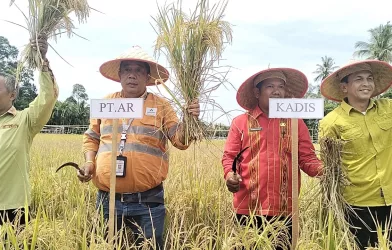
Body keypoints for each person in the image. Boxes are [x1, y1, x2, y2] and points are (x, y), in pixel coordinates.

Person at [78, 45, 200, 249]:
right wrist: (89, 162)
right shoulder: (106, 103)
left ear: (147, 77)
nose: (132, 75)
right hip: (108, 199)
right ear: (119, 75)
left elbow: (180, 141)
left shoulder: (161, 106)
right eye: (127, 70)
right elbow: (92, 137)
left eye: (138, 71)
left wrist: (189, 120)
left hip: (148, 201)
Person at [222, 68, 322, 249]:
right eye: (270, 86)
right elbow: (230, 158)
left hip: (285, 209)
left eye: (281, 86)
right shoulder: (241, 122)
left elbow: (307, 158)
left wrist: (325, 170)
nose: (277, 91)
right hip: (248, 209)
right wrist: (230, 175)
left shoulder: (295, 122)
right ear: (257, 92)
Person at [319, 60, 392, 249]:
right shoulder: (331, 122)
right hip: (357, 203)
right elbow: (329, 168)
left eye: (369, 79)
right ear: (344, 87)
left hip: (391, 197)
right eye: (358, 79)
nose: (366, 83)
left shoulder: (389, 109)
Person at [0, 38, 58, 243]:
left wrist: (42, 61)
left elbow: (48, 97)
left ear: (12, 95)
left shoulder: (24, 120)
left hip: (10, 208)